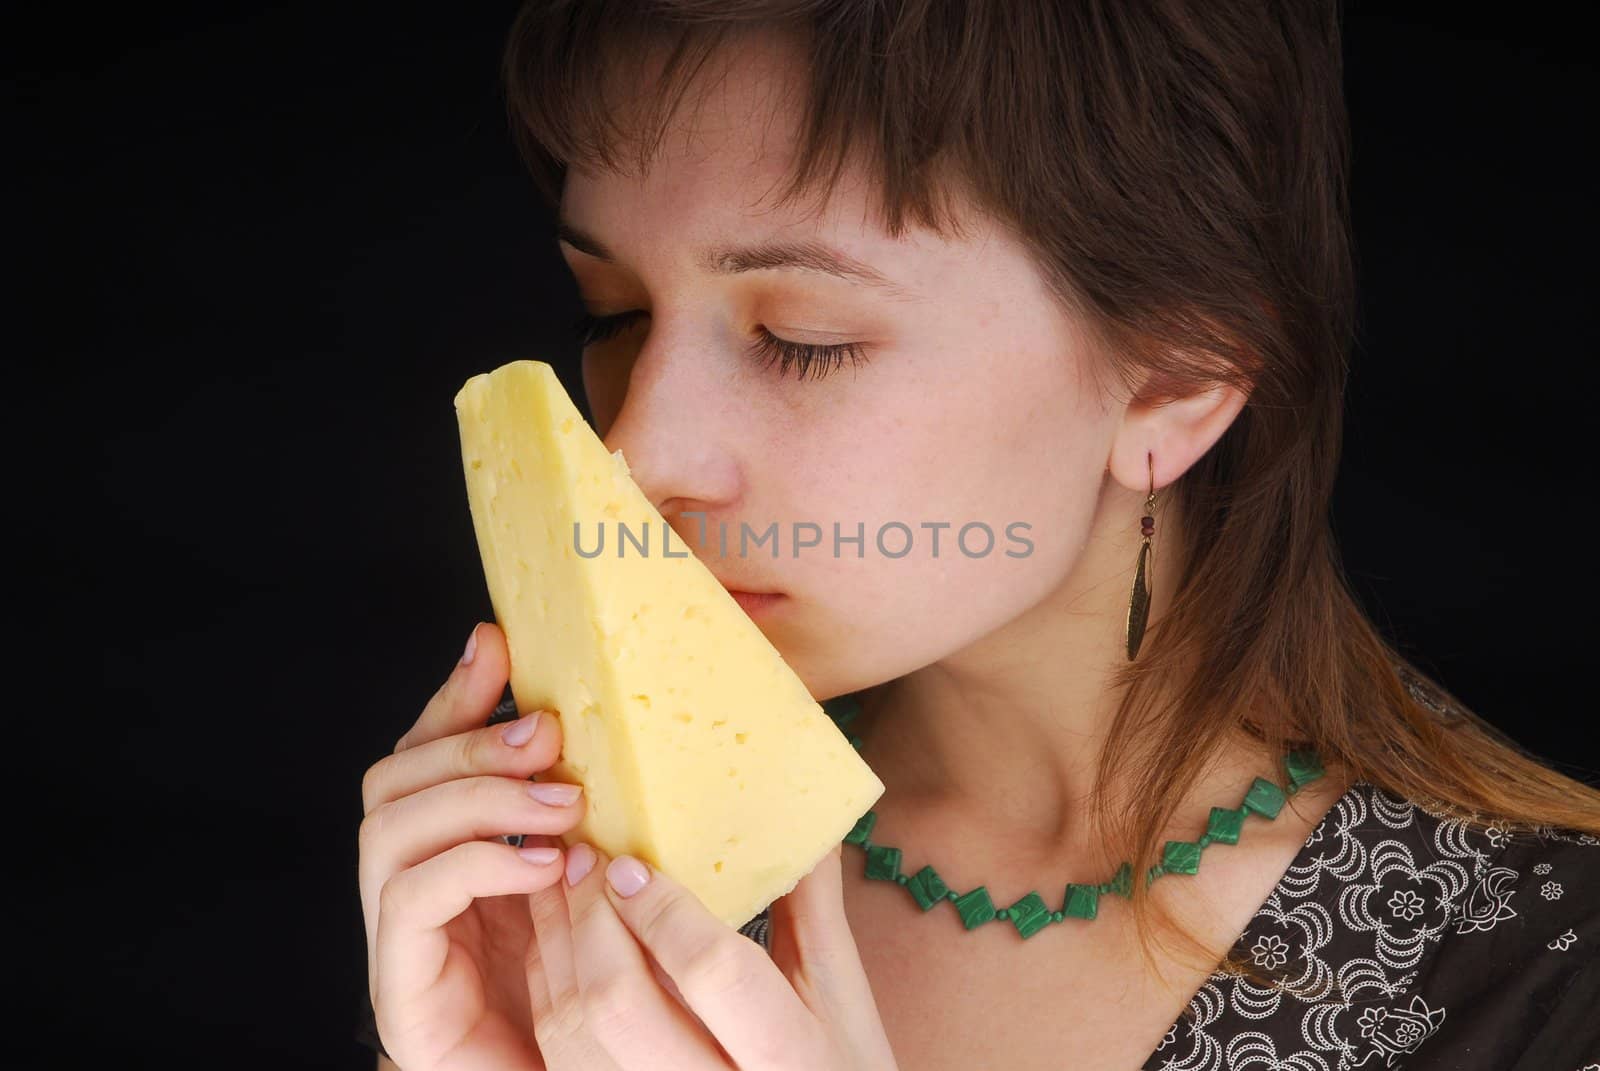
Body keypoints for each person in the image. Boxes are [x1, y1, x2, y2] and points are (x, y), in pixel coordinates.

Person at [356, 2, 1600, 1068]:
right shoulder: (577, 900)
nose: (634, 453)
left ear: (1179, 373)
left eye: (802, 337)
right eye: (613, 312)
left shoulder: (1541, 985)